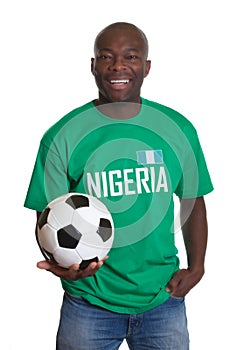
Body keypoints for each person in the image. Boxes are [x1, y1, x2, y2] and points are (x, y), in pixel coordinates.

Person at [24, 22, 213, 350]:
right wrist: (63, 266)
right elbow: (48, 217)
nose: (118, 66)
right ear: (93, 66)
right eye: (107, 57)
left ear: (147, 67)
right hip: (88, 302)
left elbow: (192, 199)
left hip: (162, 297)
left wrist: (197, 267)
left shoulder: (177, 128)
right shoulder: (62, 135)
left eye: (131, 56)